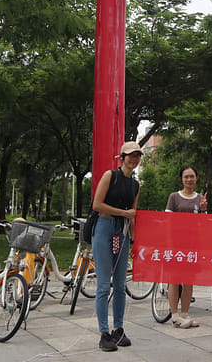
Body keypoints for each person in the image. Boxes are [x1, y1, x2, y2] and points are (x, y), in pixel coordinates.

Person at [91, 141, 141, 351]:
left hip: (121, 232)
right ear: (122, 157)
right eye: (130, 154)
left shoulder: (135, 184)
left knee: (120, 285)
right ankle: (104, 332)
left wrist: (134, 240)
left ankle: (118, 329)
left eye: (137, 155)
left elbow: (134, 216)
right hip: (104, 227)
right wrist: (123, 214)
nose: (134, 158)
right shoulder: (109, 176)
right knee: (104, 284)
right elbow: (97, 205)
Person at [164, 165, 208, 328]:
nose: (189, 179)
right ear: (181, 179)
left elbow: (203, 223)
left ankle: (185, 314)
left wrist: (204, 210)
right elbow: (167, 220)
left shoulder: (199, 198)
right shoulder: (174, 197)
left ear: (196, 178)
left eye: (192, 176)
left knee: (189, 280)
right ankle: (175, 315)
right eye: (186, 176)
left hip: (193, 244)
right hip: (176, 243)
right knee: (174, 279)